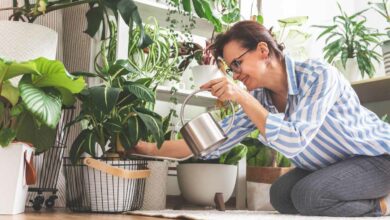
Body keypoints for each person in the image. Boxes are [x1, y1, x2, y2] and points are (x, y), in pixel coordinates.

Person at [134, 20, 390, 217]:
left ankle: (382, 205)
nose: (235, 75)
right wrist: (142, 147)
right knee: (280, 195)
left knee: (308, 196)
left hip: (377, 158)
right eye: (230, 68)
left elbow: (295, 140)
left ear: (263, 50)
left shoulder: (319, 76)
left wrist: (242, 98)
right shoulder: (261, 100)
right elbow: (212, 142)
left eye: (237, 64)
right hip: (334, 167)